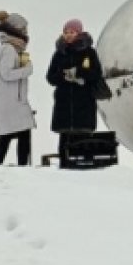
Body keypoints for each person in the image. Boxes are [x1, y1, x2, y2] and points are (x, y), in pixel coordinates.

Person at [46, 18, 102, 161]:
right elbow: (50, 77)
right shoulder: (59, 53)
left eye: (72, 32)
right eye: (66, 32)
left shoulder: (89, 52)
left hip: (83, 104)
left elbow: (96, 74)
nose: (68, 35)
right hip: (64, 104)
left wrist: (79, 73)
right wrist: (63, 76)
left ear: (79, 33)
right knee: (64, 140)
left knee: (83, 141)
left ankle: (85, 169)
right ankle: (64, 167)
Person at [0, 10, 36, 166]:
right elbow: (6, 73)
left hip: (12, 101)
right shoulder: (9, 49)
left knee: (10, 135)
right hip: (11, 102)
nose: (26, 33)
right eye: (24, 30)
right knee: (17, 134)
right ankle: (21, 166)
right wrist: (27, 70)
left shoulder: (11, 48)